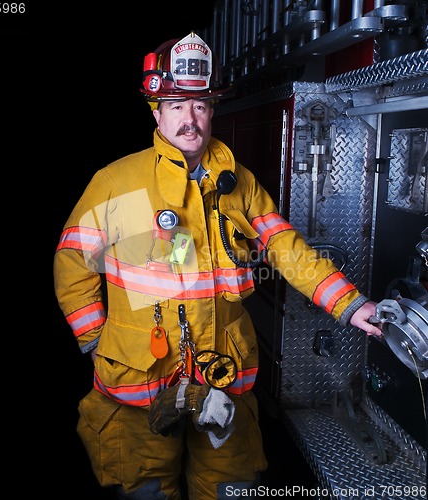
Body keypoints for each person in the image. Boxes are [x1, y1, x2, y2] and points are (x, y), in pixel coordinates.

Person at [53, 32, 382, 499]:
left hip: (222, 376)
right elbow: (72, 264)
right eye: (175, 105)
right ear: (155, 110)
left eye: (201, 106)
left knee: (232, 487)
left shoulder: (239, 183)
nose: (190, 119)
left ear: (212, 111)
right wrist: (93, 338)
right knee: (144, 489)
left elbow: (287, 250)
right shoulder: (114, 182)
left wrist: (352, 306)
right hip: (139, 380)